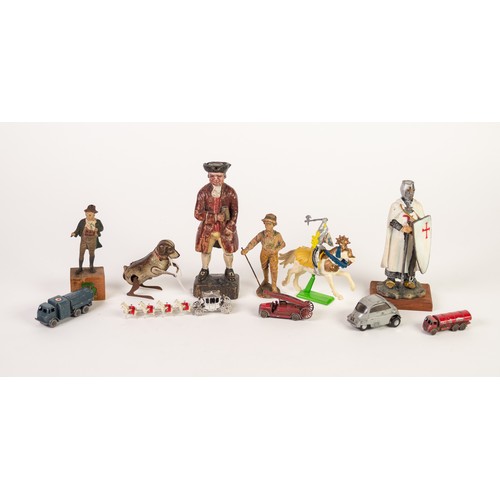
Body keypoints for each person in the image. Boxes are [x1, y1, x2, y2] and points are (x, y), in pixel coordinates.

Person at [194, 162, 238, 281]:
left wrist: (230, 227)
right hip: (207, 230)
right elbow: (198, 214)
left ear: (224, 176)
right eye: (212, 176)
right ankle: (204, 269)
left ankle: (229, 269)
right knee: (205, 251)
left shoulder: (230, 192)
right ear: (208, 176)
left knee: (228, 251)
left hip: (225, 229)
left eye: (219, 176)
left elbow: (234, 212)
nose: (216, 179)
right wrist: (215, 217)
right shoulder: (203, 192)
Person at [381, 180, 425, 289]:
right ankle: (391, 278)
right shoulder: (396, 205)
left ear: (414, 191)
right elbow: (391, 221)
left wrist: (412, 229)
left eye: (411, 190)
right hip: (397, 237)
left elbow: (422, 223)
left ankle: (408, 279)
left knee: (409, 257)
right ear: (402, 190)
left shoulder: (418, 206)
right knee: (395, 256)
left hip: (411, 238)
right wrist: (401, 228)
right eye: (407, 191)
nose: (409, 193)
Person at [241, 213, 285, 292]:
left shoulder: (277, 235)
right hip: (264, 253)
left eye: (269, 224)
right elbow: (254, 241)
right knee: (264, 267)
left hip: (273, 254)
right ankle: (266, 280)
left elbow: (283, 244)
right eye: (266, 223)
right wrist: (246, 249)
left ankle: (274, 285)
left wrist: (276, 250)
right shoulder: (261, 234)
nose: (267, 225)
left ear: (273, 225)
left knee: (274, 269)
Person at [71, 204, 104, 274]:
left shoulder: (97, 222)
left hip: (92, 240)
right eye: (87, 214)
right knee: (81, 253)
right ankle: (80, 268)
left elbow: (101, 228)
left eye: (90, 214)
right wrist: (74, 233)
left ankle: (91, 267)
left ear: (94, 214)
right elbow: (78, 229)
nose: (89, 215)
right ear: (85, 213)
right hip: (84, 240)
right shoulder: (82, 221)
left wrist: (97, 229)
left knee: (91, 253)